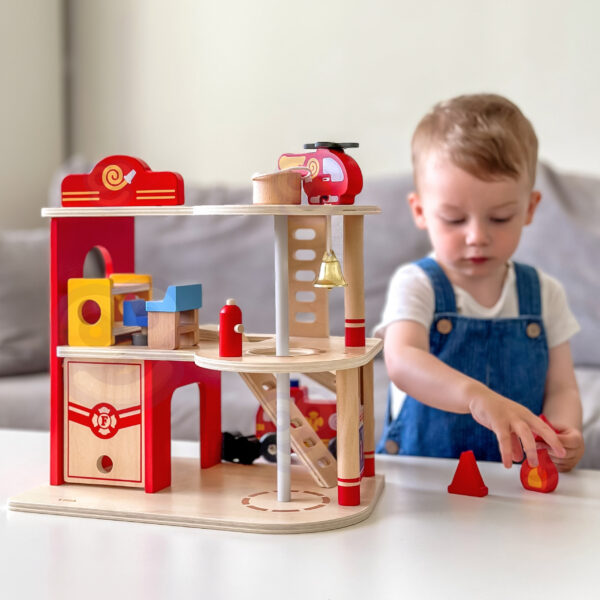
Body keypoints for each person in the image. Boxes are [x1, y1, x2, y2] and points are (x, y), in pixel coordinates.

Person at [375, 93, 584, 471]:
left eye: (500, 218)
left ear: (530, 209)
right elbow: (402, 361)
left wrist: (561, 432)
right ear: (420, 211)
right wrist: (473, 396)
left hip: (514, 480)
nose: (477, 237)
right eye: (455, 219)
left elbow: (562, 388)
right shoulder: (417, 284)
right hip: (423, 476)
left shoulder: (544, 294)